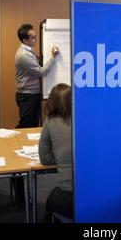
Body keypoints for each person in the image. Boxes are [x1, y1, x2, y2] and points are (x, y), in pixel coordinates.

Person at [15, 23, 60, 128]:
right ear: (25, 40)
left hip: (33, 93)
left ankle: (28, 144)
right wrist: (53, 57)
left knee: (33, 124)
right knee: (26, 125)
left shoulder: (28, 50)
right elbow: (41, 72)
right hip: (27, 95)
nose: (36, 39)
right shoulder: (24, 55)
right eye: (33, 38)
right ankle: (20, 143)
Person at [39, 83, 73, 222]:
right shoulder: (85, 120)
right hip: (96, 192)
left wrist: (61, 159)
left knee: (51, 200)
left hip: (69, 196)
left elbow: (45, 159)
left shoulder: (50, 122)